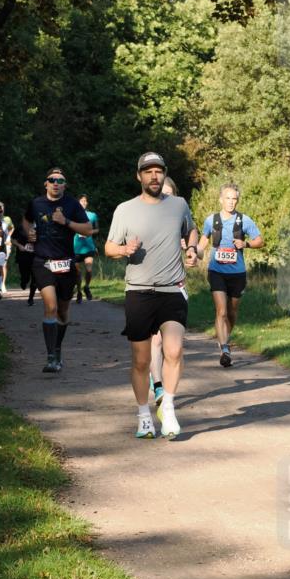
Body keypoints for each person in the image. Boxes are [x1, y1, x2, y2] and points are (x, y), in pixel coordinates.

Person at [105, 152, 198, 439]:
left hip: (172, 288)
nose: (154, 176)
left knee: (174, 351)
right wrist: (123, 250)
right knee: (141, 361)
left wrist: (192, 248)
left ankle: (167, 406)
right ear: (139, 176)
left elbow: (191, 230)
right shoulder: (124, 210)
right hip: (139, 292)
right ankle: (144, 415)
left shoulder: (179, 205)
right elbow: (109, 247)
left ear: (164, 174)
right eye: (148, 172)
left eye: (159, 171)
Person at [23, 168, 94, 373]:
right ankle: (51, 357)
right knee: (51, 307)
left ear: (64, 184)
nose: (56, 183)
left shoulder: (72, 204)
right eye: (52, 179)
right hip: (42, 261)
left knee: (63, 312)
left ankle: (57, 348)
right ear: (46, 183)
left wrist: (66, 222)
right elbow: (26, 220)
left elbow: (88, 229)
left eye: (60, 180)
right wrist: (29, 233)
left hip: (66, 263)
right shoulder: (36, 203)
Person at [197, 183, 264, 367]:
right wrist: (194, 252)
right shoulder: (211, 220)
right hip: (216, 271)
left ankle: (224, 336)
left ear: (237, 200)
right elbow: (202, 243)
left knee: (232, 312)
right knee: (221, 311)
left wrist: (246, 244)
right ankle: (225, 348)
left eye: (234, 198)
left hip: (238, 273)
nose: (231, 202)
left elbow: (260, 240)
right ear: (221, 199)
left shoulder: (245, 220)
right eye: (228, 198)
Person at [148, 177, 182, 404]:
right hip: (148, 286)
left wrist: (191, 252)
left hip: (175, 286)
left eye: (169, 194)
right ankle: (158, 385)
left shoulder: (181, 216)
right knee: (156, 341)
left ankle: (165, 388)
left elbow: (194, 245)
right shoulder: (142, 216)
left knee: (173, 346)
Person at [74, 194, 99, 303]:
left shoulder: (92, 215)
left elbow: (97, 229)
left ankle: (87, 287)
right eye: (81, 201)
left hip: (89, 247)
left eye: (85, 201)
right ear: (78, 203)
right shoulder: (72, 215)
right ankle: (79, 291)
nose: (83, 203)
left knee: (89, 270)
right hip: (75, 247)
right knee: (77, 273)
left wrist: (89, 232)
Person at [11, 217, 37, 306]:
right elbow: (12, 239)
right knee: (25, 276)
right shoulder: (20, 228)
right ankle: (23, 281)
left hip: (35, 256)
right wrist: (19, 245)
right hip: (23, 256)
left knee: (35, 277)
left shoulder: (40, 227)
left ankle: (31, 298)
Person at [0, 201, 14, 295]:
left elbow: (12, 228)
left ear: (3, 208)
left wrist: (9, 237)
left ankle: (3, 284)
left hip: (6, 244)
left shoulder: (7, 219)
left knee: (4, 264)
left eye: (1, 207)